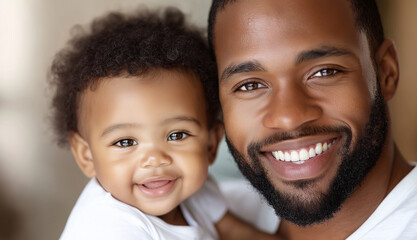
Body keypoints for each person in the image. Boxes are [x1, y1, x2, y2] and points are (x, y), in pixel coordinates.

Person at [50, 7, 281, 240]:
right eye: (126, 141)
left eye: (177, 135)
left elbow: (235, 232)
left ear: (211, 143)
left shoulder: (194, 190)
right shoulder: (110, 229)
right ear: (86, 155)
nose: (155, 159)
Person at [207, 0, 417, 239]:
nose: (288, 118)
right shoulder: (197, 219)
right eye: (250, 85)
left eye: (325, 72)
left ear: (386, 72)